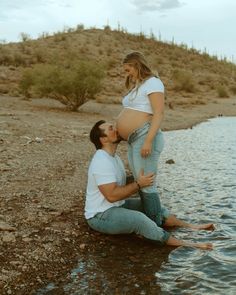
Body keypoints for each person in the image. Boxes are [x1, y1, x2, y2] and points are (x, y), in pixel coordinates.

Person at [84, 120, 214, 250]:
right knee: (139, 219)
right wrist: (138, 184)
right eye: (111, 129)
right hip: (100, 215)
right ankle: (189, 244)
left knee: (153, 207)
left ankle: (192, 227)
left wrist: (140, 178)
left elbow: (118, 183)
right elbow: (111, 195)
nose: (116, 129)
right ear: (103, 139)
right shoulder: (101, 161)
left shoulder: (114, 157)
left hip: (117, 205)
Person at [116, 51, 165, 226]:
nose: (126, 73)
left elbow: (158, 113)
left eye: (128, 69)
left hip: (145, 137)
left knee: (147, 183)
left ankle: (155, 228)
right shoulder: (139, 85)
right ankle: (153, 222)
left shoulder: (153, 82)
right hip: (134, 138)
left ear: (137, 65)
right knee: (141, 181)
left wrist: (148, 141)